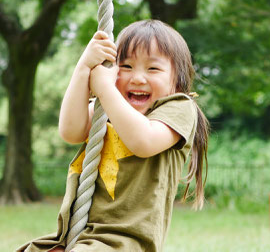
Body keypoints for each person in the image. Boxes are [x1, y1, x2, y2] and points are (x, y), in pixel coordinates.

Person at [18, 19, 209, 252]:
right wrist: (84, 68)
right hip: (78, 234)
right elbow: (70, 130)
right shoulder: (108, 106)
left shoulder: (179, 107)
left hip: (126, 239)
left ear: (177, 79)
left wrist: (106, 89)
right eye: (126, 66)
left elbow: (143, 141)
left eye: (153, 69)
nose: (137, 78)